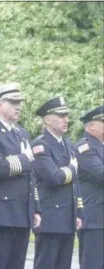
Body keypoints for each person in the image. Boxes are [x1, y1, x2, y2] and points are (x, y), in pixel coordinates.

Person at [0, 82, 41, 269]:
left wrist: (35, 207)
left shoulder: (21, 133)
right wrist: (24, 158)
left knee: (16, 264)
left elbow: (31, 175)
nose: (18, 106)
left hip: (21, 212)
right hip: (0, 214)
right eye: (13, 102)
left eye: (19, 102)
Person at [31, 96, 83, 269]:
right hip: (50, 218)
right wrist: (73, 169)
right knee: (46, 264)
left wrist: (78, 212)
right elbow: (54, 178)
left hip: (67, 218)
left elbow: (75, 185)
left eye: (66, 115)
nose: (66, 120)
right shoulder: (41, 145)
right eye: (60, 116)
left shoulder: (68, 145)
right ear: (47, 119)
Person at [75, 105, 104, 269]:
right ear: (91, 125)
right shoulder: (84, 148)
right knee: (93, 264)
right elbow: (101, 174)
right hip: (93, 218)